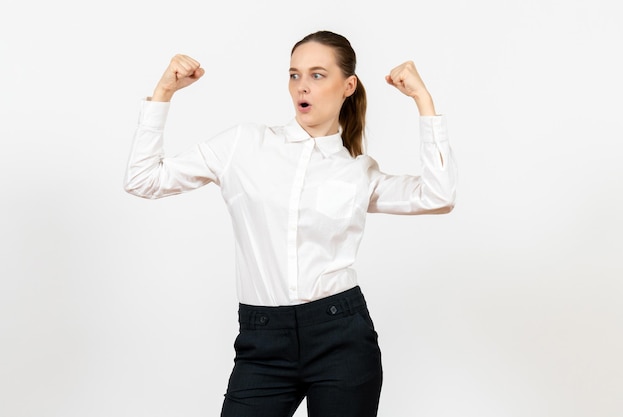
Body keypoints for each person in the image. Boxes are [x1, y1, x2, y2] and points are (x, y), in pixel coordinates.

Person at [124, 30, 457, 417]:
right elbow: (143, 179)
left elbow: (438, 196)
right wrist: (164, 92)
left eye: (317, 75)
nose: (303, 86)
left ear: (348, 86)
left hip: (342, 338)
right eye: (295, 75)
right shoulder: (243, 145)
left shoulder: (358, 172)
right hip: (262, 342)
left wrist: (423, 101)